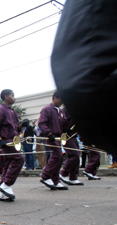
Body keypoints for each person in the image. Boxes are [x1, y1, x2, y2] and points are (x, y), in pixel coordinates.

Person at [51, 0, 117, 155]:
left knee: (80, 156)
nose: (61, 102)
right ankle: (48, 177)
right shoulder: (49, 109)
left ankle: (61, 177)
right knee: (66, 156)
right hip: (94, 94)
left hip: (88, 103)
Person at [0, 89, 24, 202]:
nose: (14, 98)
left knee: (8, 165)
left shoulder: (12, 111)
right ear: (6, 97)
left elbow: (16, 128)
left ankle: (2, 193)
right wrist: (0, 141)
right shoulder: (0, 110)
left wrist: (23, 125)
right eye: (12, 96)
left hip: (13, 140)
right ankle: (6, 185)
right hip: (6, 141)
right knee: (19, 159)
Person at [38, 92, 68, 190]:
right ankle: (45, 175)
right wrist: (49, 134)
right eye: (61, 100)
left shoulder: (59, 111)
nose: (62, 103)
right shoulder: (47, 109)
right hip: (51, 137)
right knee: (57, 156)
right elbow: (41, 123)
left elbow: (62, 123)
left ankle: (55, 180)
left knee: (59, 158)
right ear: (55, 98)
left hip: (58, 137)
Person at [59, 109, 84, 186]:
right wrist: (64, 129)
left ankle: (73, 177)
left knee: (77, 156)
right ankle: (63, 173)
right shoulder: (62, 111)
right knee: (74, 155)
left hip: (73, 135)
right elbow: (59, 123)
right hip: (66, 136)